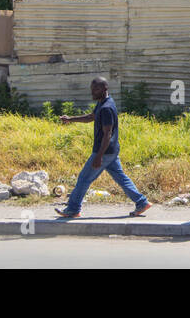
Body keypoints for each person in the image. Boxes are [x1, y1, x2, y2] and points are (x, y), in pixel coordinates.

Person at [55, 77, 151, 219]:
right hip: (111, 151)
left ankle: (73, 209)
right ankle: (142, 202)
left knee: (83, 178)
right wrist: (70, 119)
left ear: (105, 89)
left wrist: (99, 156)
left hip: (104, 151)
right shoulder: (102, 103)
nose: (93, 92)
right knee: (121, 178)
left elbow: (107, 134)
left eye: (96, 89)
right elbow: (90, 117)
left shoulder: (106, 108)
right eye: (92, 89)